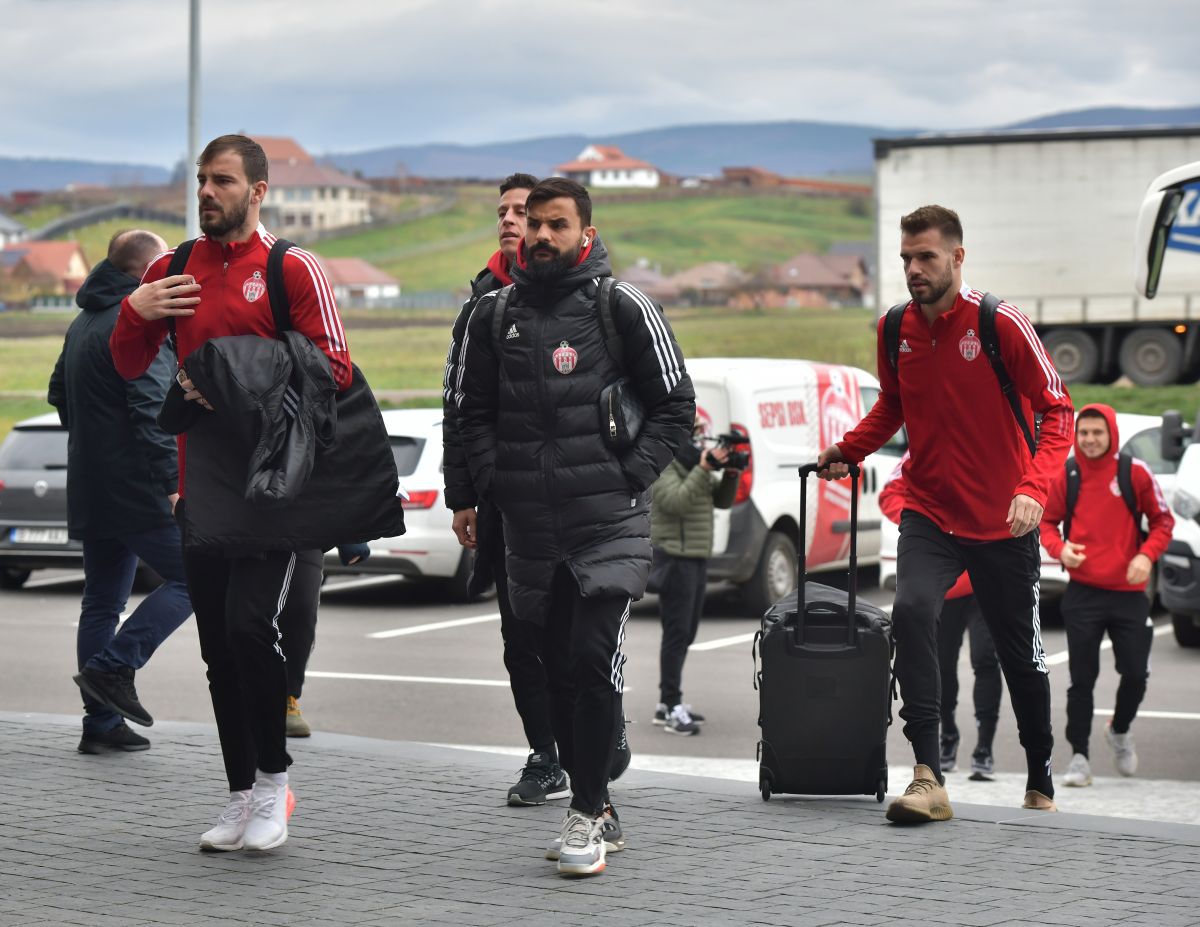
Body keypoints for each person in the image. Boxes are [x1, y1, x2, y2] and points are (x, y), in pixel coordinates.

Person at [109, 134, 353, 853]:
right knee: (218, 648)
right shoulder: (172, 267)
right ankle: (240, 793)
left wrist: (223, 368)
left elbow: (334, 369)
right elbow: (128, 365)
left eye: (221, 181)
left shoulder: (290, 269)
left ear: (259, 191)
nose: (206, 193)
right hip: (201, 491)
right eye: (200, 182)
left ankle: (277, 783)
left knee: (252, 628)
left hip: (275, 486)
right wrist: (138, 309)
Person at [455, 177, 694, 876]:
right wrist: (492, 482)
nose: (541, 236)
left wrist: (628, 476)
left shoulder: (622, 305)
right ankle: (598, 792)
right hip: (530, 528)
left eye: (557, 224)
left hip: (606, 524)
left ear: (584, 233)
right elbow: (469, 411)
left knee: (592, 657)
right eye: (534, 223)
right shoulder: (493, 315)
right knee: (553, 669)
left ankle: (587, 812)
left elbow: (677, 408)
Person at [817, 204, 1073, 823]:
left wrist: (1034, 490)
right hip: (929, 509)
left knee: (1020, 659)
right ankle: (928, 775)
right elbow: (894, 407)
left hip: (1003, 519)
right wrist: (846, 451)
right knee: (910, 610)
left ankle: (1040, 770)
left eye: (926, 256)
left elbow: (1058, 411)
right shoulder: (893, 328)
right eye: (906, 258)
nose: (913, 269)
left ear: (958, 258)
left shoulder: (999, 323)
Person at [443, 173, 571, 805]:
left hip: (576, 502)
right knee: (519, 635)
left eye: (524, 211)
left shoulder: (593, 296)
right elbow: (459, 407)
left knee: (577, 634)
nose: (511, 221)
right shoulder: (482, 303)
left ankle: (598, 737)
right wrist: (464, 494)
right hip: (504, 500)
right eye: (504, 211)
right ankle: (545, 755)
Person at [47, 229, 193, 755]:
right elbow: (154, 412)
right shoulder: (137, 324)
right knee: (197, 575)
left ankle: (101, 724)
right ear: (143, 272)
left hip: (92, 484)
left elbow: (58, 393)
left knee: (102, 602)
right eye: (164, 268)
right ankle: (114, 667)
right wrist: (173, 486)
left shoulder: (82, 321)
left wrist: (96, 441)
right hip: (139, 489)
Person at [1038, 404, 1174, 787]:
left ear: (1110, 434)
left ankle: (1119, 730)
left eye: (1098, 432)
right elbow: (1047, 521)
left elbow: (1163, 521)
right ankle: (1079, 757)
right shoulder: (1069, 474)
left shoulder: (1134, 472)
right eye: (1084, 433)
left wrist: (1147, 557)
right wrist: (1060, 549)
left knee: (1135, 673)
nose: (1090, 440)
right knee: (1082, 679)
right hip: (1083, 594)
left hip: (1129, 594)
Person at [879, 454, 1003, 780]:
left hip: (987, 580)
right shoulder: (925, 442)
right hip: (946, 584)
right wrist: (925, 526)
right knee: (942, 665)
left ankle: (984, 749)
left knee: (986, 660)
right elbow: (890, 494)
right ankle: (947, 738)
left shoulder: (989, 437)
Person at [649, 417, 739, 735]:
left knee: (686, 633)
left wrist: (731, 474)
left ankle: (665, 704)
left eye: (702, 435)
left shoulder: (690, 461)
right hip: (674, 558)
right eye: (695, 434)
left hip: (697, 557)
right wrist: (703, 469)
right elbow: (674, 502)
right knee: (676, 634)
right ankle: (672, 705)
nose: (701, 441)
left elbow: (722, 500)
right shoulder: (663, 460)